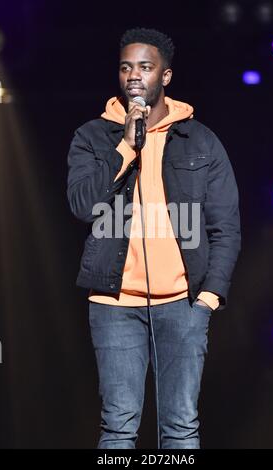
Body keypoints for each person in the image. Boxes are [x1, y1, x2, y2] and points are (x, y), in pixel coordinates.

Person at [66, 27, 241, 449]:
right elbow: (82, 206)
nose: (133, 76)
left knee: (181, 427)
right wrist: (126, 147)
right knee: (119, 428)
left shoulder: (200, 139)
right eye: (126, 67)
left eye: (145, 67)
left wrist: (209, 298)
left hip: (183, 305)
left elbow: (225, 226)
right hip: (113, 305)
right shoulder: (93, 136)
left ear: (165, 76)